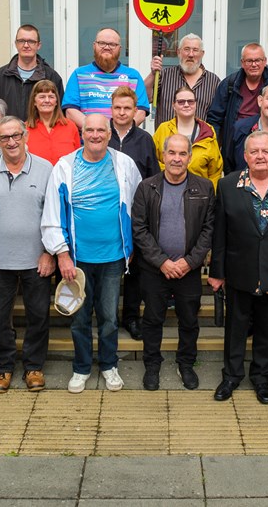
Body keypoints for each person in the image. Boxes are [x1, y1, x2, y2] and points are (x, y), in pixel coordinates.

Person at [42, 113, 142, 394]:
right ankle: (81, 368)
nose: (96, 135)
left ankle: (109, 366)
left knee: (110, 317)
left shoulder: (124, 165)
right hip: (77, 260)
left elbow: (137, 206)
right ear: (81, 133)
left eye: (101, 130)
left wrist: (130, 245)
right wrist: (61, 254)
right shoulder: (65, 166)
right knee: (80, 318)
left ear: (109, 134)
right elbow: (52, 213)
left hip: (113, 258)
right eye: (90, 130)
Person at [209, 131, 268, 405]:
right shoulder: (227, 185)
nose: (260, 156)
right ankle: (231, 376)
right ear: (245, 156)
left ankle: (262, 378)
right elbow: (220, 233)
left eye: (265, 151)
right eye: (254, 152)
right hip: (239, 269)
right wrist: (217, 272)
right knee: (235, 327)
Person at [0, 116, 54, 393]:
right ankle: (3, 367)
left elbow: (54, 215)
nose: (11, 142)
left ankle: (33, 366)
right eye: (4, 137)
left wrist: (49, 252)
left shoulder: (45, 169)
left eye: (16, 135)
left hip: (36, 259)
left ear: (25, 136)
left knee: (38, 315)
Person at [132, 134, 215, 391]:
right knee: (153, 319)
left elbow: (208, 230)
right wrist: (162, 262)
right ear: (163, 156)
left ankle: (186, 364)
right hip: (155, 269)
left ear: (189, 157)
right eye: (172, 153)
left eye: (182, 154)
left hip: (188, 270)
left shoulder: (204, 188)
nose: (176, 159)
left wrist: (189, 263)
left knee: (189, 320)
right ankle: (152, 365)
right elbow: (139, 229)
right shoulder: (147, 187)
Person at [108, 86, 160, 341]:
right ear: (111, 109)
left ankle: (130, 316)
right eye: (117, 107)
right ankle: (105, 316)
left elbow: (152, 178)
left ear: (135, 111)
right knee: (105, 266)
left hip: (136, 215)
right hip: (104, 216)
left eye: (127, 108)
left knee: (134, 269)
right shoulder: (99, 134)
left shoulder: (144, 140)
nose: (122, 112)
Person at [207, 43, 268, 174]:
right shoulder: (230, 84)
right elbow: (214, 119)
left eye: (258, 60)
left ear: (265, 61)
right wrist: (216, 149)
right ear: (242, 62)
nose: (254, 64)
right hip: (238, 145)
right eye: (249, 61)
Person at [62, 27, 150, 128]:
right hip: (89, 140)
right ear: (94, 46)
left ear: (119, 49)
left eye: (112, 44)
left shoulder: (133, 76)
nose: (107, 47)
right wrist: (98, 130)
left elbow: (141, 112)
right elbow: (70, 111)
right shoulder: (79, 75)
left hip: (123, 141)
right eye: (102, 43)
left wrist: (119, 133)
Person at [0, 23, 64, 121]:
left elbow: (59, 113)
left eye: (31, 41)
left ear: (38, 45)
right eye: (22, 41)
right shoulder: (1, 76)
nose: (26, 45)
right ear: (16, 44)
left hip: (41, 134)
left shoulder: (51, 77)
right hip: (9, 134)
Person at [143, 33, 221, 128]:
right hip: (167, 140)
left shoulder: (213, 81)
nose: (191, 54)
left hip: (200, 141)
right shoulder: (164, 75)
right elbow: (145, 98)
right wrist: (153, 73)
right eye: (187, 49)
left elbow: (217, 117)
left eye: (195, 50)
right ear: (178, 52)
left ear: (202, 54)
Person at [152, 85, 223, 189]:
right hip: (166, 189)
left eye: (190, 101)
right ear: (173, 105)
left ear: (196, 104)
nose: (186, 105)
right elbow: (153, 161)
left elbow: (215, 171)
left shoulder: (208, 131)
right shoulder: (163, 129)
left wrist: (210, 195)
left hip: (199, 194)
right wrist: (173, 170)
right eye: (181, 102)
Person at [25, 78, 80, 165]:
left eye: (51, 97)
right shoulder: (25, 129)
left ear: (56, 102)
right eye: (42, 97)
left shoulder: (70, 127)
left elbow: (77, 159)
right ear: (34, 102)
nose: (47, 101)